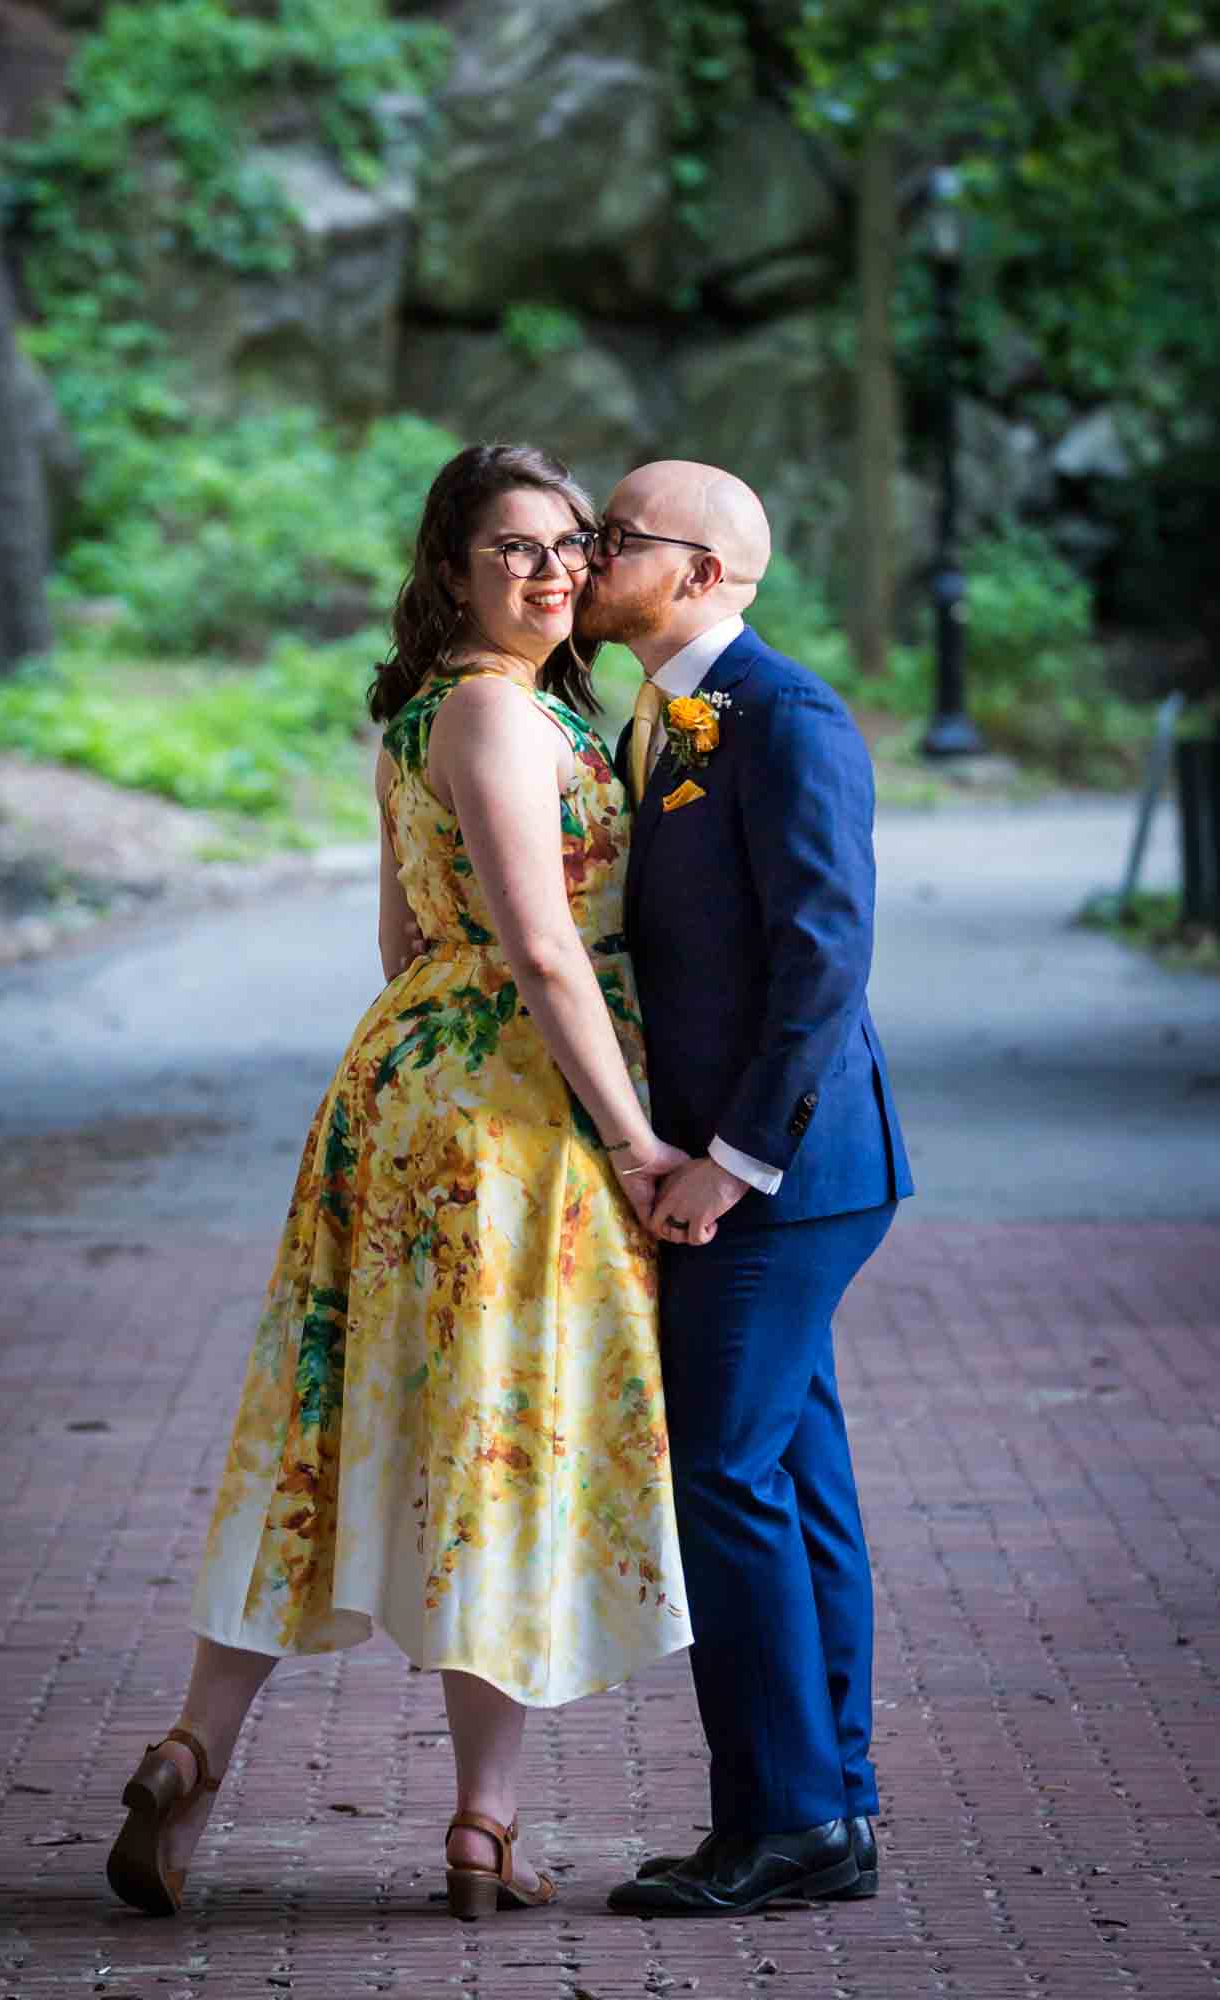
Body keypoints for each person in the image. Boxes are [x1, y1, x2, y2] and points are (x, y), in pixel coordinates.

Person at [106, 443, 693, 1924]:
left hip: (410, 1082)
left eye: (570, 545)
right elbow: (542, 946)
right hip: (506, 1113)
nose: (553, 571)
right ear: (449, 570)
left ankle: (194, 1752)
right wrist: (630, 1138)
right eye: (515, 549)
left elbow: (396, 944)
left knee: (326, 1416)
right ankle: (486, 1826)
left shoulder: (431, 713)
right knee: (496, 1431)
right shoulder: (501, 718)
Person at [575, 460, 913, 1918]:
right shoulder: (675, 713)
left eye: (614, 538)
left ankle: (778, 1822)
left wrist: (730, 1161)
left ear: (704, 571)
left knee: (719, 1473)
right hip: (765, 1165)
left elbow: (824, 953)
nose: (585, 556)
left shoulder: (785, 713)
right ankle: (823, 1806)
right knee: (787, 1475)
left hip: (786, 1170)